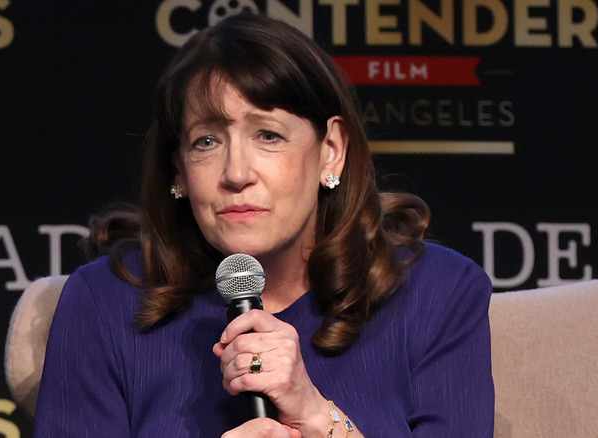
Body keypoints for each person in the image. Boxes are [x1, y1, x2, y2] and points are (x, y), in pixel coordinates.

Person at [34, 12, 494, 438]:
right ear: (178, 170)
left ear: (331, 150)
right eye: (207, 141)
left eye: (268, 135)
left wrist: (316, 415)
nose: (236, 172)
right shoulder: (105, 302)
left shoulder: (438, 293)